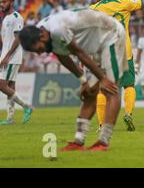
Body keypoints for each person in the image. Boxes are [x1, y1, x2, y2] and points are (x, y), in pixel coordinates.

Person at [19, 9, 126, 151]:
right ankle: (78, 141)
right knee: (89, 92)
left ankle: (103, 142)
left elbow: (78, 53)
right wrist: (83, 81)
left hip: (111, 35)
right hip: (96, 46)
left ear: (42, 36)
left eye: (38, 49)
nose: (40, 53)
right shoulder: (42, 30)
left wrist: (103, 79)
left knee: (110, 88)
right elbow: (63, 57)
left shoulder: (57, 30)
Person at [90, 0, 144, 132]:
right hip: (124, 52)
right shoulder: (124, 4)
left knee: (102, 89)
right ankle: (128, 113)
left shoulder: (93, 9)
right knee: (129, 85)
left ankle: (102, 124)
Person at [0, 0, 33, 125]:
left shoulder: (17, 17)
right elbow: (7, 42)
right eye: (1, 2)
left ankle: (27, 106)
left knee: (1, 85)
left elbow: (17, 38)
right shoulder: (6, 19)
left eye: (4, 2)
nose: (1, 4)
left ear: (11, 2)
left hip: (13, 57)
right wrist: (0, 59)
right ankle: (10, 118)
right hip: (7, 56)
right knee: (10, 86)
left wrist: (7, 57)